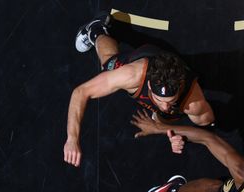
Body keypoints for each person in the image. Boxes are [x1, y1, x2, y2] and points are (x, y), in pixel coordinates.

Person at [64, 13, 214, 167]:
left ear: (181, 87)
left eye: (171, 101)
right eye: (160, 100)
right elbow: (80, 92)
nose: (165, 106)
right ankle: (97, 30)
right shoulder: (131, 75)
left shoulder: (192, 100)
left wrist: (177, 134)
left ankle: (165, 112)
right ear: (149, 86)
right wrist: (72, 139)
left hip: (175, 75)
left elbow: (206, 132)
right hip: (143, 58)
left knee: (202, 120)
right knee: (108, 63)